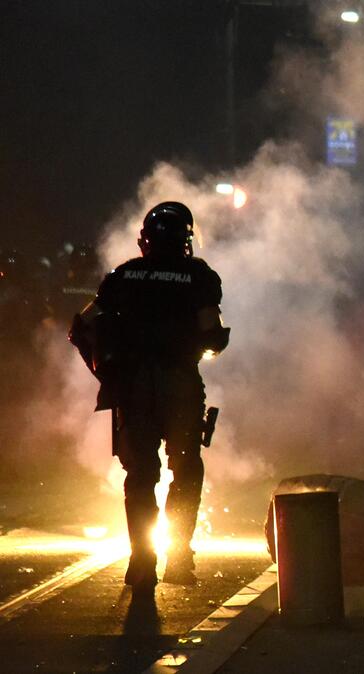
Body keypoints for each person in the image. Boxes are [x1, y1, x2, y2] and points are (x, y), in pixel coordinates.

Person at [69, 202, 229, 596]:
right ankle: (179, 559)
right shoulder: (199, 276)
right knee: (187, 468)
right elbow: (212, 334)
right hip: (179, 386)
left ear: (146, 239)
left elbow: (80, 327)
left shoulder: (123, 275)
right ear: (185, 239)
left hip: (133, 388)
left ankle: (142, 561)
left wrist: (105, 375)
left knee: (140, 477)